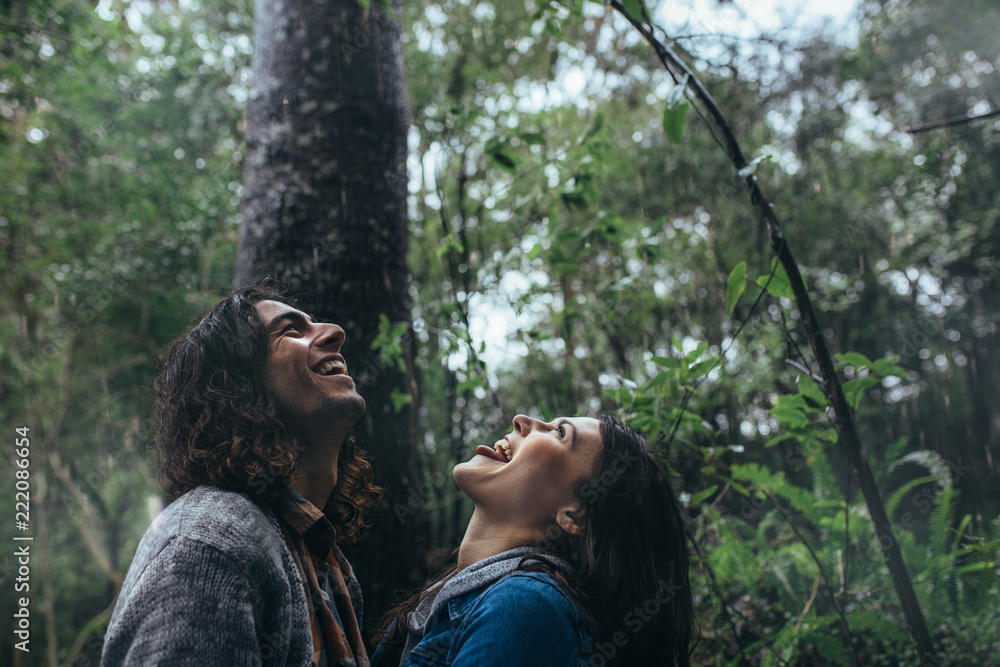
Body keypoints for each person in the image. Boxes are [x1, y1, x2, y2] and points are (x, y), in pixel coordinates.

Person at [101, 281, 380, 667]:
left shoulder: (330, 566)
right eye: (291, 330)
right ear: (238, 386)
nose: (335, 333)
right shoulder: (212, 540)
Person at [371, 414, 695, 667]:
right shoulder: (474, 600)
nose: (522, 420)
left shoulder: (527, 607)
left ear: (575, 514)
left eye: (559, 432)